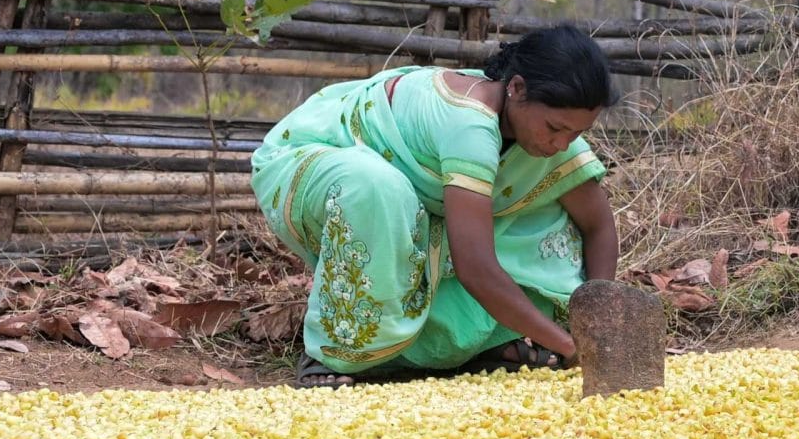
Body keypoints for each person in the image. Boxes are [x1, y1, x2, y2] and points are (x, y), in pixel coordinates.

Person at [251, 25, 620, 387]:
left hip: (414, 204)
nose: (561, 143)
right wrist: (569, 346)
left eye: (576, 133)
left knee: (546, 206)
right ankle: (337, 350)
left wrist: (597, 324)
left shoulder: (547, 132)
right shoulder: (470, 125)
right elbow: (475, 267)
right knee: (378, 189)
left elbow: (597, 226)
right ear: (517, 88)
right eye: (555, 128)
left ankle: (478, 344)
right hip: (318, 166)